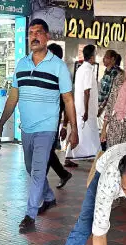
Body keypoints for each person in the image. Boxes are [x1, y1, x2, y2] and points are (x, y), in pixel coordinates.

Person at [0, 18, 79, 233]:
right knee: (31, 169)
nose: (34, 36)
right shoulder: (21, 64)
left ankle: (30, 214)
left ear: (47, 37)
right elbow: (13, 96)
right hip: (27, 127)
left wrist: (74, 129)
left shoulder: (58, 66)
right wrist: (1, 124)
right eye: (31, 32)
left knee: (39, 170)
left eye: (39, 32)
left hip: (47, 126)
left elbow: (68, 99)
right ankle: (49, 197)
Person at [64, 44, 100, 165]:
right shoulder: (88, 70)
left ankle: (69, 157)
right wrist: (86, 110)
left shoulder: (80, 69)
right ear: (92, 56)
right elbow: (87, 91)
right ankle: (97, 157)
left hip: (80, 107)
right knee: (92, 133)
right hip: (86, 109)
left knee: (79, 133)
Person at [46, 43, 74, 189]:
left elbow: (68, 102)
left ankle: (40, 183)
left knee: (45, 150)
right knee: (46, 149)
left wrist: (64, 125)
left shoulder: (62, 74)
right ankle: (63, 174)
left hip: (53, 117)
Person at [97, 49, 122, 118]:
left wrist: (101, 108)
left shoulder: (114, 72)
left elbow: (110, 93)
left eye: (106, 57)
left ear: (112, 59)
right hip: (100, 105)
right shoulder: (107, 71)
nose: (103, 59)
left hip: (106, 109)